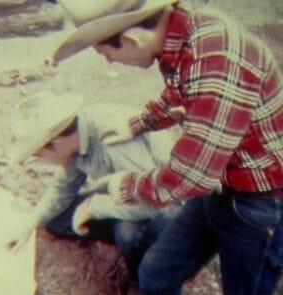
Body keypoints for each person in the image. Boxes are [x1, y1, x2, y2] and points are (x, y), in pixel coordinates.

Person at [52, 0, 283, 294]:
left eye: (107, 54)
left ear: (131, 40)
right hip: (219, 183)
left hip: (259, 199)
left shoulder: (217, 59)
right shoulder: (182, 35)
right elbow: (180, 92)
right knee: (157, 271)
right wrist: (139, 123)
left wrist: (127, 185)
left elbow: (191, 176)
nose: (109, 62)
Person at [7, 90, 181, 281]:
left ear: (56, 143)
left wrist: (94, 207)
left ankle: (146, 278)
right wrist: (32, 220)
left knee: (127, 233)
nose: (42, 162)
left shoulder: (111, 139)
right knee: (56, 220)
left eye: (39, 156)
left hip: (169, 206)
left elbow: (154, 203)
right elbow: (63, 186)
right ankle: (128, 234)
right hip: (125, 190)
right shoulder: (73, 136)